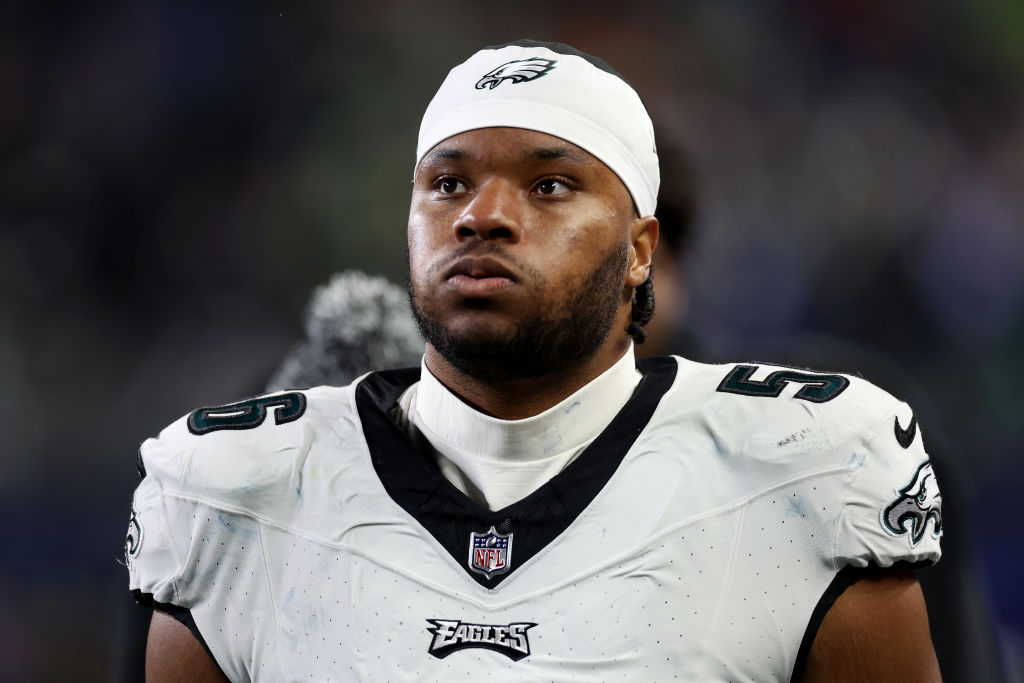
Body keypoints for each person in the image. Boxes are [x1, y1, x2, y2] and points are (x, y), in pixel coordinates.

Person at [127, 40, 944, 681]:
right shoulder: (238, 487)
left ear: (639, 251)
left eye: (549, 185)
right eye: (447, 183)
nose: (482, 215)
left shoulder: (802, 471)